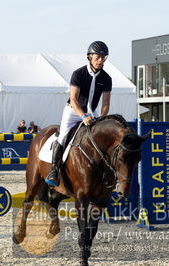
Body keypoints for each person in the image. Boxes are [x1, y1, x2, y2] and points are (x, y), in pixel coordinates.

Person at [45, 41, 112, 187]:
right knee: (62, 137)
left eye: (104, 57)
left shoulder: (106, 78)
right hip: (73, 111)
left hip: (92, 113)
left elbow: (106, 103)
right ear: (89, 57)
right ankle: (54, 171)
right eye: (98, 57)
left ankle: (104, 172)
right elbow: (74, 99)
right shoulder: (78, 74)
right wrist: (83, 116)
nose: (101, 60)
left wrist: (101, 118)